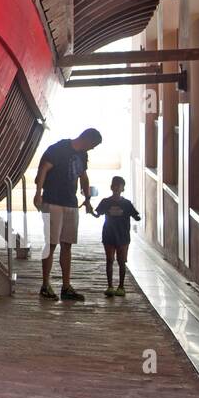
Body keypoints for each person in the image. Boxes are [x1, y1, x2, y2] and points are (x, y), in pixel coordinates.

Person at [33, 127, 102, 301]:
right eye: (93, 145)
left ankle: (66, 286)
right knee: (51, 243)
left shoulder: (83, 155)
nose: (92, 149)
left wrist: (87, 198)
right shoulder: (59, 148)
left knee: (67, 244)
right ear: (86, 139)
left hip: (70, 202)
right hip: (53, 201)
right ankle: (45, 285)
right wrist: (38, 193)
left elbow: (83, 176)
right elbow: (43, 169)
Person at [94, 176, 141, 297]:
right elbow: (97, 214)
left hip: (123, 235)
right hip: (109, 235)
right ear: (111, 187)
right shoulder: (105, 202)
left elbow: (135, 215)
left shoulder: (126, 204)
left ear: (122, 188)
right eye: (115, 185)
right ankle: (110, 286)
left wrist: (137, 217)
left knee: (121, 261)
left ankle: (121, 286)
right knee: (109, 260)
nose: (117, 188)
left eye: (119, 186)